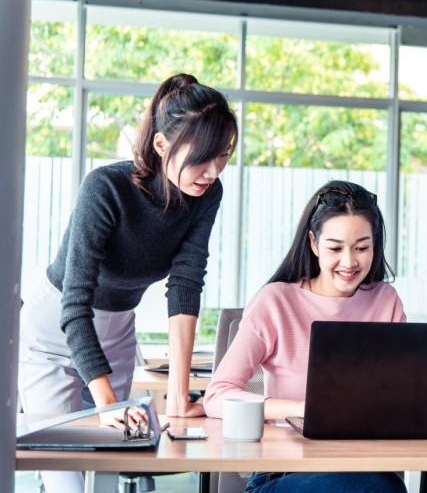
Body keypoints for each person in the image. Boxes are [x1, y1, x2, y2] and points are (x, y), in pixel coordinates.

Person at [18, 73, 238, 493]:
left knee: (106, 465)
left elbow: (187, 284)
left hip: (118, 333)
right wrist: (107, 403)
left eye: (223, 155)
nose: (213, 170)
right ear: (160, 145)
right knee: (65, 477)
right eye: (203, 157)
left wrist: (178, 396)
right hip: (54, 332)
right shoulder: (106, 188)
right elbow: (75, 304)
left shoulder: (208, 193)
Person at [204, 180, 407, 493]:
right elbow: (218, 395)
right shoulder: (276, 302)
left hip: (365, 469)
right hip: (284, 476)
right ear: (314, 243)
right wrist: (302, 407)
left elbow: (401, 392)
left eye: (362, 248)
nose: (349, 262)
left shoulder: (385, 301)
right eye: (335, 248)